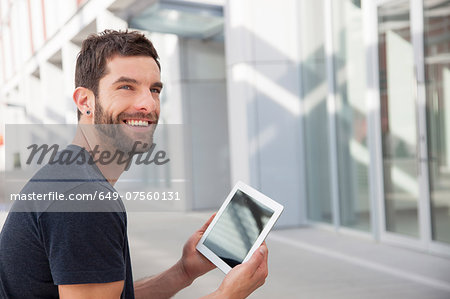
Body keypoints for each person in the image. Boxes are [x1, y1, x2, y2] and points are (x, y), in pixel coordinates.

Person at [0, 30, 268, 298]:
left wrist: (183, 272)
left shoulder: (71, 176)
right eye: (126, 87)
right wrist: (226, 295)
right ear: (85, 102)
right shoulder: (85, 198)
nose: (148, 104)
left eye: (154, 89)